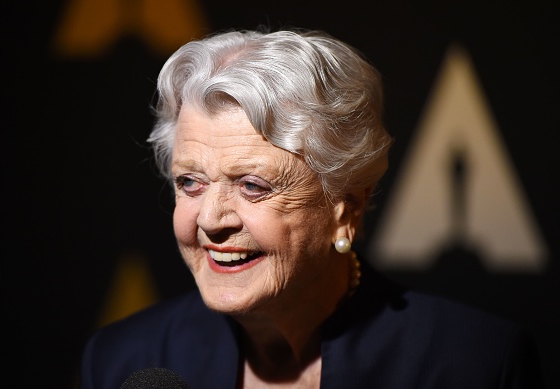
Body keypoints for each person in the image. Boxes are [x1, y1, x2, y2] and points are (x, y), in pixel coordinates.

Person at [79, 29, 543, 388]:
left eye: (253, 186)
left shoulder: (473, 363)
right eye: (190, 182)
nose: (211, 219)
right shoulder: (125, 360)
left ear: (346, 206)